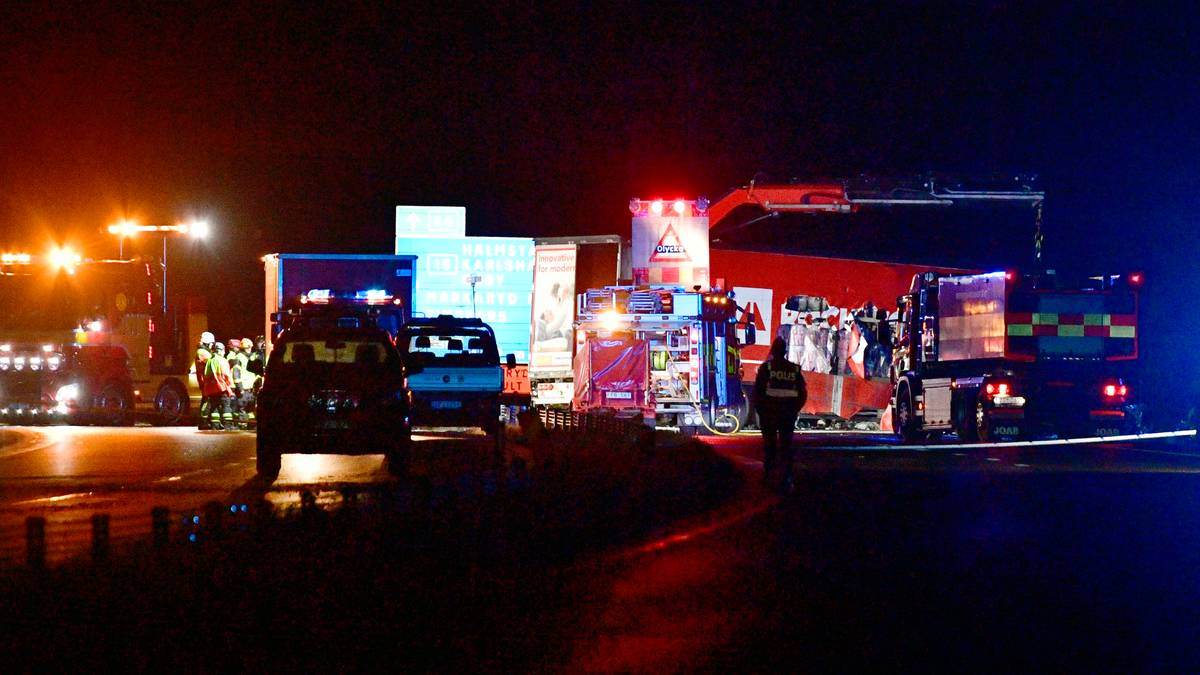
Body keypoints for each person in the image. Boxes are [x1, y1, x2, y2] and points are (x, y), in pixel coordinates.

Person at [754, 336, 808, 492]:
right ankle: (786, 478)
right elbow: (802, 393)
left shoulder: (767, 368)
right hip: (787, 415)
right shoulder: (794, 369)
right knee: (786, 446)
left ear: (773, 351)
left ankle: (768, 477)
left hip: (769, 414)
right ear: (785, 351)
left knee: (769, 446)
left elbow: (758, 392)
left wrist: (761, 411)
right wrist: (794, 409)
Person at [202, 341, 235, 430]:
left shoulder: (209, 361)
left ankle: (215, 426)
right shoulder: (222, 360)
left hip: (212, 389)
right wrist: (231, 387)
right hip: (222, 387)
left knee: (214, 407)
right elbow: (226, 375)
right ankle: (228, 426)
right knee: (226, 407)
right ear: (220, 350)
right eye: (223, 350)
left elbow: (205, 375)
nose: (224, 352)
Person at [194, 331, 215, 430]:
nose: (212, 346)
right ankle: (203, 421)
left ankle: (205, 421)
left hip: (206, 380)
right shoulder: (202, 352)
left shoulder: (203, 351)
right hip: (205, 381)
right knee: (206, 401)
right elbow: (212, 360)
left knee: (207, 400)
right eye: (211, 344)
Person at [227, 338, 249, 429]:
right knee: (235, 407)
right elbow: (235, 372)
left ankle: (237, 424)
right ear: (234, 348)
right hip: (233, 385)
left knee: (236, 407)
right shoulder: (234, 357)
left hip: (233, 385)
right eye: (238, 347)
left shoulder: (233, 356)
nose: (239, 349)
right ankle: (237, 425)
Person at [238, 338, 260, 427]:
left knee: (251, 409)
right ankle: (243, 425)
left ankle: (250, 425)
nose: (250, 349)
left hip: (251, 387)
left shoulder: (252, 357)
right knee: (243, 408)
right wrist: (240, 388)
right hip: (244, 387)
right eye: (249, 347)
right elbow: (236, 373)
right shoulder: (239, 357)